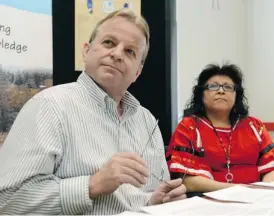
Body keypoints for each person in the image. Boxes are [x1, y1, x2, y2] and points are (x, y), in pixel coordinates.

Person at [0, 9, 186, 215]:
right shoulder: (49, 106)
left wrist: (156, 201)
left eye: (130, 51)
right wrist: (92, 185)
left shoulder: (147, 121)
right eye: (109, 43)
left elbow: (146, 195)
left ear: (137, 72)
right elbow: (8, 201)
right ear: (86, 51)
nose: (117, 54)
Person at [166, 63, 274, 193]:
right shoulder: (189, 127)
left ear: (236, 95)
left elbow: (271, 170)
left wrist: (264, 195)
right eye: (213, 86)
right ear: (201, 94)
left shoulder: (255, 126)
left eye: (228, 87)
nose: (221, 91)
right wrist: (240, 191)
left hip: (256, 202)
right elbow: (188, 181)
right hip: (206, 202)